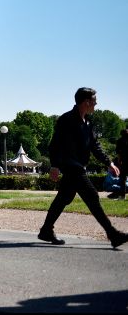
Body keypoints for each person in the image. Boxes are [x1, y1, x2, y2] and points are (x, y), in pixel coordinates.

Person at [38, 88, 128, 248]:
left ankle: (46, 230)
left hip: (79, 166)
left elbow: (95, 146)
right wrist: (55, 165)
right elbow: (55, 144)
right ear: (86, 102)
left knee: (64, 198)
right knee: (92, 195)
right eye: (94, 101)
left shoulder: (88, 122)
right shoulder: (66, 120)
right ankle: (113, 234)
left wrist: (109, 163)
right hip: (71, 166)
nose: (96, 104)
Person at [116, 128, 128, 200]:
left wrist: (119, 161)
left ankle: (122, 196)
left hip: (124, 161)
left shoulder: (119, 141)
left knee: (123, 179)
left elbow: (118, 153)